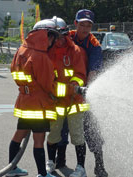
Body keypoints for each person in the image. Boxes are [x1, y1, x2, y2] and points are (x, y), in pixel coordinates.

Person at [6, 19, 63, 177]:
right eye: (51, 37)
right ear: (45, 35)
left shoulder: (21, 50)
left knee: (19, 134)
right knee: (39, 140)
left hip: (24, 100)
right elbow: (48, 85)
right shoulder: (40, 56)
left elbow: (14, 71)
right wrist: (66, 90)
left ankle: (11, 168)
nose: (52, 41)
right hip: (38, 104)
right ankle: (42, 174)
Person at [57, 9, 108, 177]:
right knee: (61, 126)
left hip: (82, 92)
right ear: (75, 23)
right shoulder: (67, 37)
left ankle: (99, 165)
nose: (85, 28)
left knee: (90, 129)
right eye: (82, 24)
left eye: (88, 25)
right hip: (63, 90)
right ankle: (60, 159)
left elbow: (93, 71)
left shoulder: (94, 45)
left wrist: (86, 90)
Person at [46, 17, 89, 177]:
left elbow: (80, 75)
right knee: (53, 134)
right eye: (55, 36)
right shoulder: (47, 53)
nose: (59, 39)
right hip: (55, 101)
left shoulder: (76, 51)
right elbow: (46, 79)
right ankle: (50, 163)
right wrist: (62, 90)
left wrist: (74, 85)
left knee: (78, 135)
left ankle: (80, 168)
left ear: (66, 34)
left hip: (75, 102)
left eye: (61, 35)